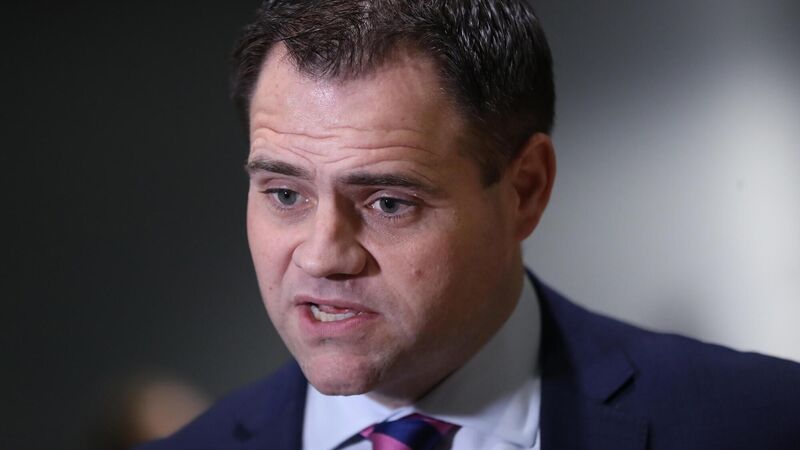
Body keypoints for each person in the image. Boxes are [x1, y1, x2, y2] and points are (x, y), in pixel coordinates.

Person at [139, 1, 800, 449]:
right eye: (285, 194)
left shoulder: (764, 421)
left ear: (525, 190)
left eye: (388, 203)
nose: (322, 256)